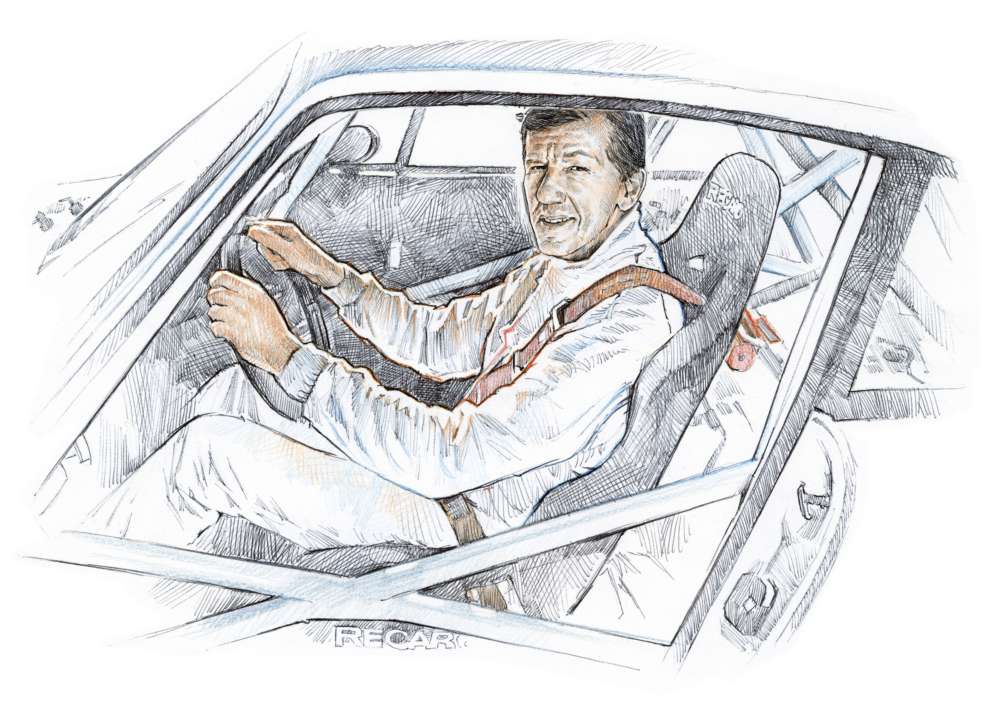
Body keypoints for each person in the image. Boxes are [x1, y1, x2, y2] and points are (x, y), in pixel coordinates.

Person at [83, 108, 685, 552]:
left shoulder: (628, 320)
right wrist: (334, 277)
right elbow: (443, 340)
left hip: (461, 522)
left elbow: (451, 456)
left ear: (629, 188)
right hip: (447, 479)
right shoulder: (561, 268)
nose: (547, 192)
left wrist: (289, 357)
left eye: (576, 168)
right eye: (537, 167)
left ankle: (87, 595)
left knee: (203, 456)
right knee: (231, 393)